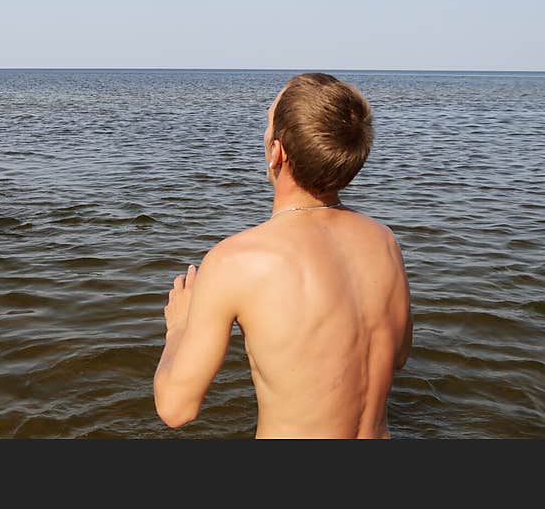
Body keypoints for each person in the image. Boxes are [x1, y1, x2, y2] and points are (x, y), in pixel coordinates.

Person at [153, 73, 412, 438]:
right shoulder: (384, 242)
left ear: (277, 151)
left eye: (268, 120)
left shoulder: (238, 260)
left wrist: (178, 330)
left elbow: (176, 409)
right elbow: (398, 356)